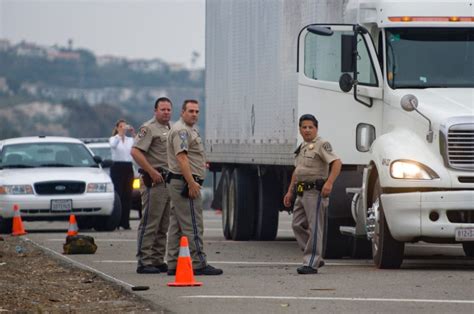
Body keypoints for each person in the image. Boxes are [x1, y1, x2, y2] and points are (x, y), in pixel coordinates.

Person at [166, 99, 223, 276]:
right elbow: (182, 158)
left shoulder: (188, 130)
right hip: (184, 183)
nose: (194, 114)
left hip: (180, 181)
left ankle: (173, 262)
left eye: (197, 111)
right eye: (190, 111)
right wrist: (191, 183)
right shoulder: (182, 130)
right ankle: (198, 263)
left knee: (177, 225)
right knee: (193, 224)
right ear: (182, 112)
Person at [283, 114, 342, 275]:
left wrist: (329, 183)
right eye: (304, 127)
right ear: (300, 129)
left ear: (316, 128)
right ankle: (315, 255)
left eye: (311, 127)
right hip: (301, 191)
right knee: (297, 224)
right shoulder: (303, 146)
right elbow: (297, 171)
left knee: (315, 226)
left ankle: (311, 261)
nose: (307, 130)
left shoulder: (321, 144)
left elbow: (337, 163)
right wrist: (290, 191)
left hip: (315, 192)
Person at [131, 97, 173, 274]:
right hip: (154, 181)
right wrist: (151, 171)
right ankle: (144, 260)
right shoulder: (149, 128)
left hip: (168, 181)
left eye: (168, 109)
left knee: (163, 224)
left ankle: (157, 258)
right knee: (150, 222)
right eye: (162, 109)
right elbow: (135, 151)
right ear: (155, 110)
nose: (166, 112)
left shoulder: (170, 129)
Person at [109, 119, 135, 230]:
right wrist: (119, 134)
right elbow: (113, 146)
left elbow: (137, 144)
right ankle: (117, 222)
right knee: (118, 195)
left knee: (127, 195)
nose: (123, 128)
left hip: (128, 167)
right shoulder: (113, 139)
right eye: (121, 126)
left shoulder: (130, 140)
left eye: (125, 126)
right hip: (117, 167)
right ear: (117, 127)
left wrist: (133, 133)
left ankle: (125, 222)